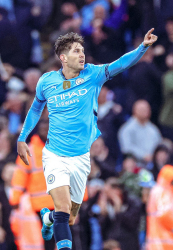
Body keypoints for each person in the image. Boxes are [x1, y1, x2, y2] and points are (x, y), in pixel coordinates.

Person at [16, 29, 158, 250]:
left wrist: (143, 47)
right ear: (63, 57)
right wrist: (22, 137)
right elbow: (36, 108)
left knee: (70, 217)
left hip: (81, 157)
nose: (82, 54)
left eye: (82, 50)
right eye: (76, 51)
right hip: (55, 155)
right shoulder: (47, 81)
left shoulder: (93, 74)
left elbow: (121, 64)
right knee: (63, 209)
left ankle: (48, 218)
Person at [9, 119, 55, 250]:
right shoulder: (30, 150)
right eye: (43, 127)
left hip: (60, 202)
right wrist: (15, 200)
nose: (45, 130)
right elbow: (20, 176)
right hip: (40, 206)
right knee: (47, 240)